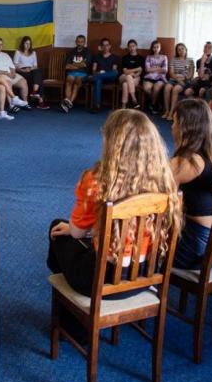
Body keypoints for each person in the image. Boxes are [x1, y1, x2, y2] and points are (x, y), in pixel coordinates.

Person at [47, 108, 181, 297]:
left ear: (112, 142)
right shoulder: (163, 180)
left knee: (57, 228)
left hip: (101, 282)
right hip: (144, 276)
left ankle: (66, 299)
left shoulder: (96, 179)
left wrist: (77, 228)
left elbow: (77, 233)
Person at [171, 99, 212, 269]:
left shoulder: (187, 162)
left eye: (174, 122)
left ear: (185, 127)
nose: (172, 127)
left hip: (194, 250)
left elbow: (152, 198)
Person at [0, 38, 31, 108]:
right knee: (8, 83)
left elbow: (12, 66)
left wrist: (13, 73)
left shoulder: (5, 55)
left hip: (10, 74)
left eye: (1, 44)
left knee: (23, 81)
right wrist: (6, 73)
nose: (0, 46)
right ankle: (12, 106)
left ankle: (25, 103)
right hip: (1, 75)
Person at [162, 42, 195, 120]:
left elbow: (191, 75)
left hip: (185, 81)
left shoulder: (190, 60)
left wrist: (183, 79)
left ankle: (171, 112)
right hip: (174, 79)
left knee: (176, 89)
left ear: (186, 50)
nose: (181, 51)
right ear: (177, 51)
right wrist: (177, 79)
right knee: (167, 87)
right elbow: (171, 73)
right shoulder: (173, 60)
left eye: (182, 49)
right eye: (179, 49)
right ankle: (167, 110)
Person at [14, 35, 48, 109]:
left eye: (29, 44)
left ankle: (34, 91)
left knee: (38, 71)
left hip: (31, 70)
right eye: (26, 43)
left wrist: (30, 69)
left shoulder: (33, 53)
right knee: (39, 80)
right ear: (23, 43)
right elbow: (15, 66)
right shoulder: (18, 52)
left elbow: (35, 65)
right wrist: (23, 70)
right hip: (22, 71)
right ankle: (40, 101)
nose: (28, 45)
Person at [60, 34, 91, 113]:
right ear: (76, 42)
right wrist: (79, 65)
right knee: (69, 80)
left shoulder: (87, 52)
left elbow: (85, 65)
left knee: (77, 81)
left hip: (83, 73)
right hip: (72, 72)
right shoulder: (71, 52)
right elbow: (67, 66)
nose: (80, 43)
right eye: (78, 41)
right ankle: (68, 102)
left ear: (84, 43)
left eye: (82, 42)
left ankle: (68, 103)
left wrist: (73, 65)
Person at [89, 38, 119, 113]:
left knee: (115, 72)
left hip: (110, 78)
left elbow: (114, 70)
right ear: (101, 47)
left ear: (110, 46)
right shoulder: (97, 56)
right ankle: (97, 105)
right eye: (103, 45)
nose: (105, 47)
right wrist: (98, 73)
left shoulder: (114, 57)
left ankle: (93, 78)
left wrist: (104, 74)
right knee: (98, 81)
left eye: (107, 45)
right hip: (99, 76)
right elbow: (93, 70)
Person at [142, 39, 168, 114]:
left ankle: (153, 104)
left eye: (157, 47)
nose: (156, 49)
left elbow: (165, 70)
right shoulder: (148, 57)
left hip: (160, 78)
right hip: (149, 77)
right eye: (154, 47)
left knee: (156, 89)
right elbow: (147, 69)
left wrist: (153, 68)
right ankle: (157, 102)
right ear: (152, 48)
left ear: (160, 48)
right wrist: (159, 68)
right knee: (147, 89)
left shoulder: (164, 57)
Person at [118, 39, 144, 109]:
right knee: (128, 76)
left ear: (136, 46)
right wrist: (136, 69)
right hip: (123, 77)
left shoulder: (141, 58)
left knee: (125, 84)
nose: (132, 48)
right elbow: (125, 71)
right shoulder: (125, 58)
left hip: (136, 78)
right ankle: (134, 99)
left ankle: (123, 106)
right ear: (128, 48)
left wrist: (134, 74)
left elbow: (140, 71)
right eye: (130, 46)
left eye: (133, 46)